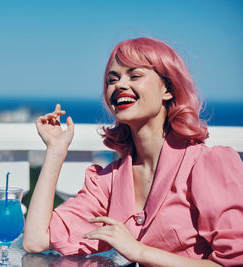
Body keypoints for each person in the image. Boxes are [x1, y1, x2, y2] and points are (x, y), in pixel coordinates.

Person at [22, 37, 243, 266]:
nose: (119, 85)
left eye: (135, 75)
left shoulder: (208, 163)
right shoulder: (108, 181)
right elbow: (36, 241)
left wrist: (139, 252)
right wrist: (56, 151)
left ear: (167, 89)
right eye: (112, 79)